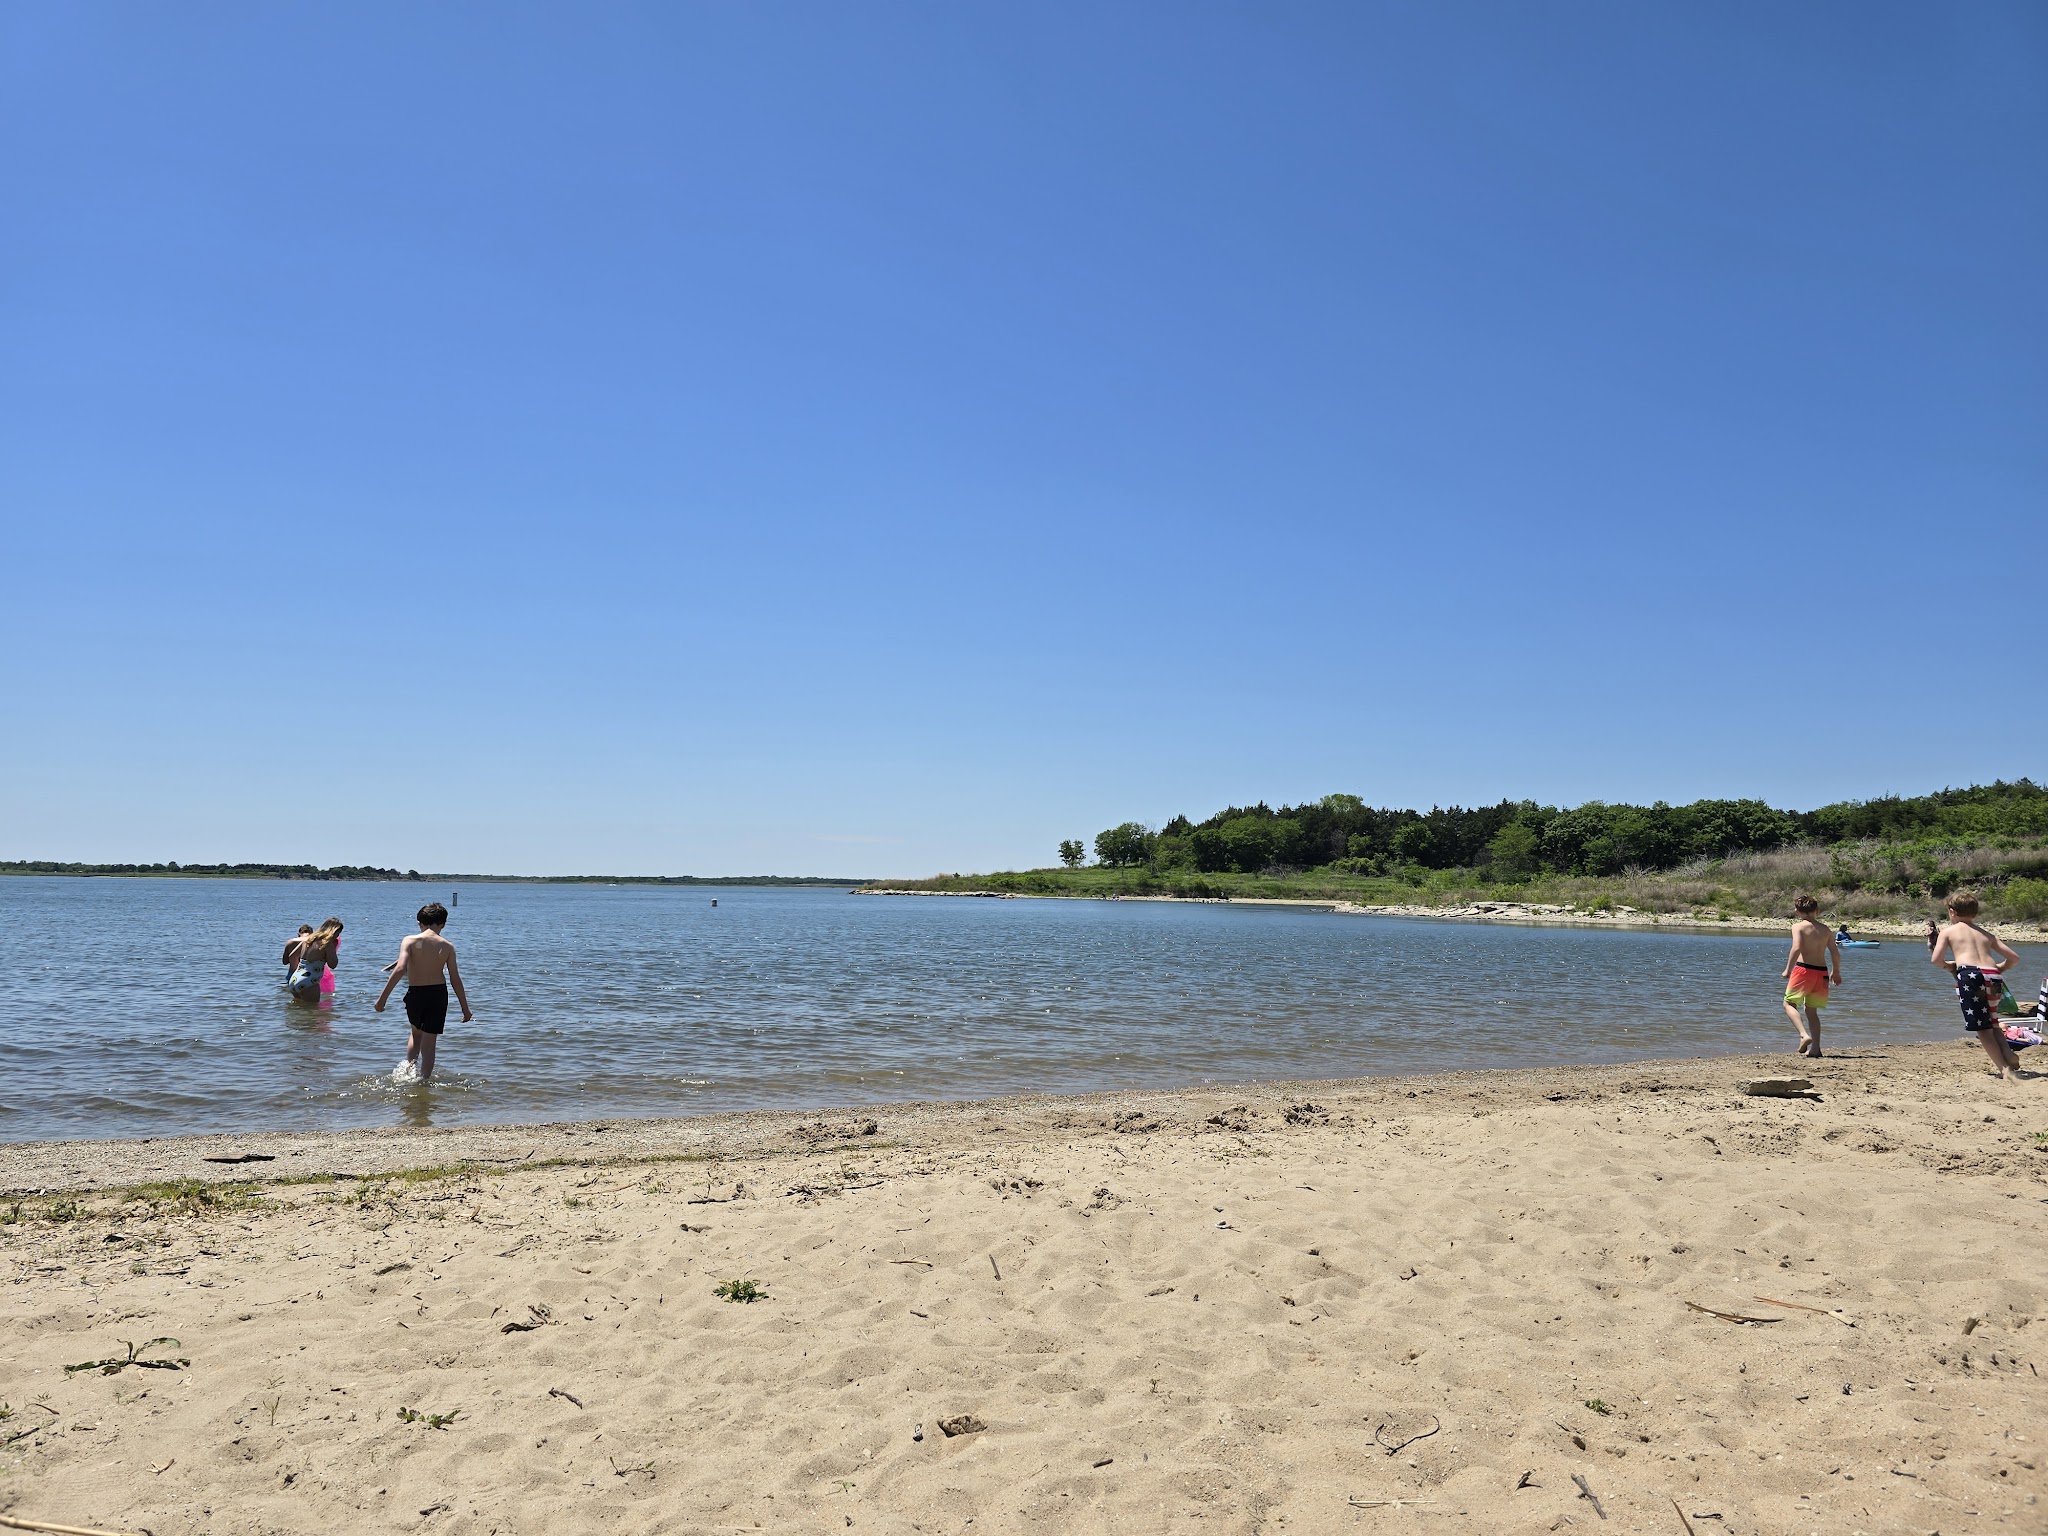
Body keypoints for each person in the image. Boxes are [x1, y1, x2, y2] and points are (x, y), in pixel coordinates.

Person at [1929, 890, 2025, 1078]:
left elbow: (1936, 960)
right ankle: (2008, 1053)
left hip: (1970, 976)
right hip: (1993, 976)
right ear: (1974, 913)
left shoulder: (1948, 931)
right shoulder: (1986, 934)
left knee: (1982, 1029)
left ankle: (2004, 1070)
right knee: (1993, 1022)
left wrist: (1951, 966)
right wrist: (2000, 968)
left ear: (1952, 911)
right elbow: (2014, 958)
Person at [374, 901, 472, 1081]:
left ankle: (409, 1070)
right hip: (438, 994)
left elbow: (400, 969)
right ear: (443, 924)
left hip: (416, 993)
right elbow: (455, 980)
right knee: (430, 1041)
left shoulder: (410, 941)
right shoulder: (447, 946)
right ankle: (423, 1080)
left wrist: (382, 999)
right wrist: (465, 1009)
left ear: (420, 923)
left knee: (416, 1033)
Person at [1781, 895, 1842, 1058]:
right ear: (1817, 911)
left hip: (1804, 970)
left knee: (1789, 1003)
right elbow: (1835, 953)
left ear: (1797, 911)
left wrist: (1788, 970)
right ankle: (1816, 1048)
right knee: (1811, 1011)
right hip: (1821, 973)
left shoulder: (1798, 927)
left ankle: (1803, 1035)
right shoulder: (1825, 930)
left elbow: (1796, 948)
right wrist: (1836, 972)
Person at [286, 918, 343, 1002]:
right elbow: (333, 965)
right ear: (334, 931)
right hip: (309, 982)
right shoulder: (327, 943)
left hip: (294, 979)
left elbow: (292, 956)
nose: (337, 936)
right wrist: (333, 949)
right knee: (313, 1010)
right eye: (338, 933)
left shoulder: (308, 939)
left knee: (298, 1008)